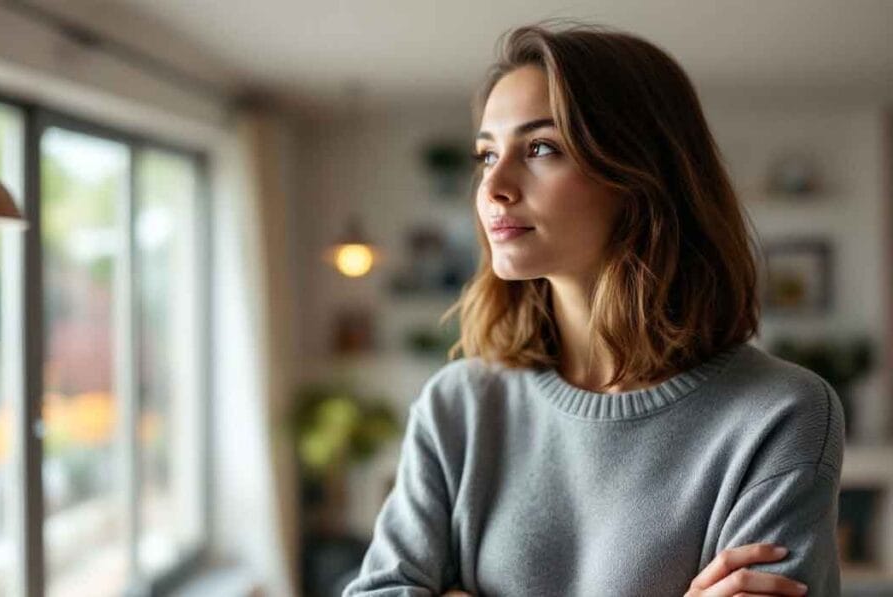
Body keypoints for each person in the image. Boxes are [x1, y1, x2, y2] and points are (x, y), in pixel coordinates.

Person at [342, 20, 844, 597]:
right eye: (486, 154)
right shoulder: (458, 406)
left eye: (541, 148)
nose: (494, 186)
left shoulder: (780, 414)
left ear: (643, 176)